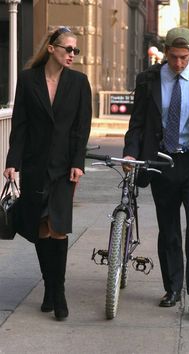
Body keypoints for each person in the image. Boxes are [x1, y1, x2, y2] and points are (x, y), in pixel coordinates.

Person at [123, 27, 189, 315]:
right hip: (161, 162)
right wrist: (130, 151)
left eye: (183, 58)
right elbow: (138, 122)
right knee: (168, 228)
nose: (178, 63)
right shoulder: (149, 79)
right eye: (173, 57)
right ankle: (172, 288)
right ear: (165, 52)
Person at [3, 27, 92, 321]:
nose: (72, 55)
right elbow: (21, 124)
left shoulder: (79, 82)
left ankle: (60, 291)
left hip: (65, 168)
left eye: (75, 50)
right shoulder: (29, 80)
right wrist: (12, 161)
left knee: (58, 227)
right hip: (34, 165)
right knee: (41, 228)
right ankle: (49, 287)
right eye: (68, 49)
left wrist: (78, 162)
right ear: (51, 48)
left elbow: (81, 128)